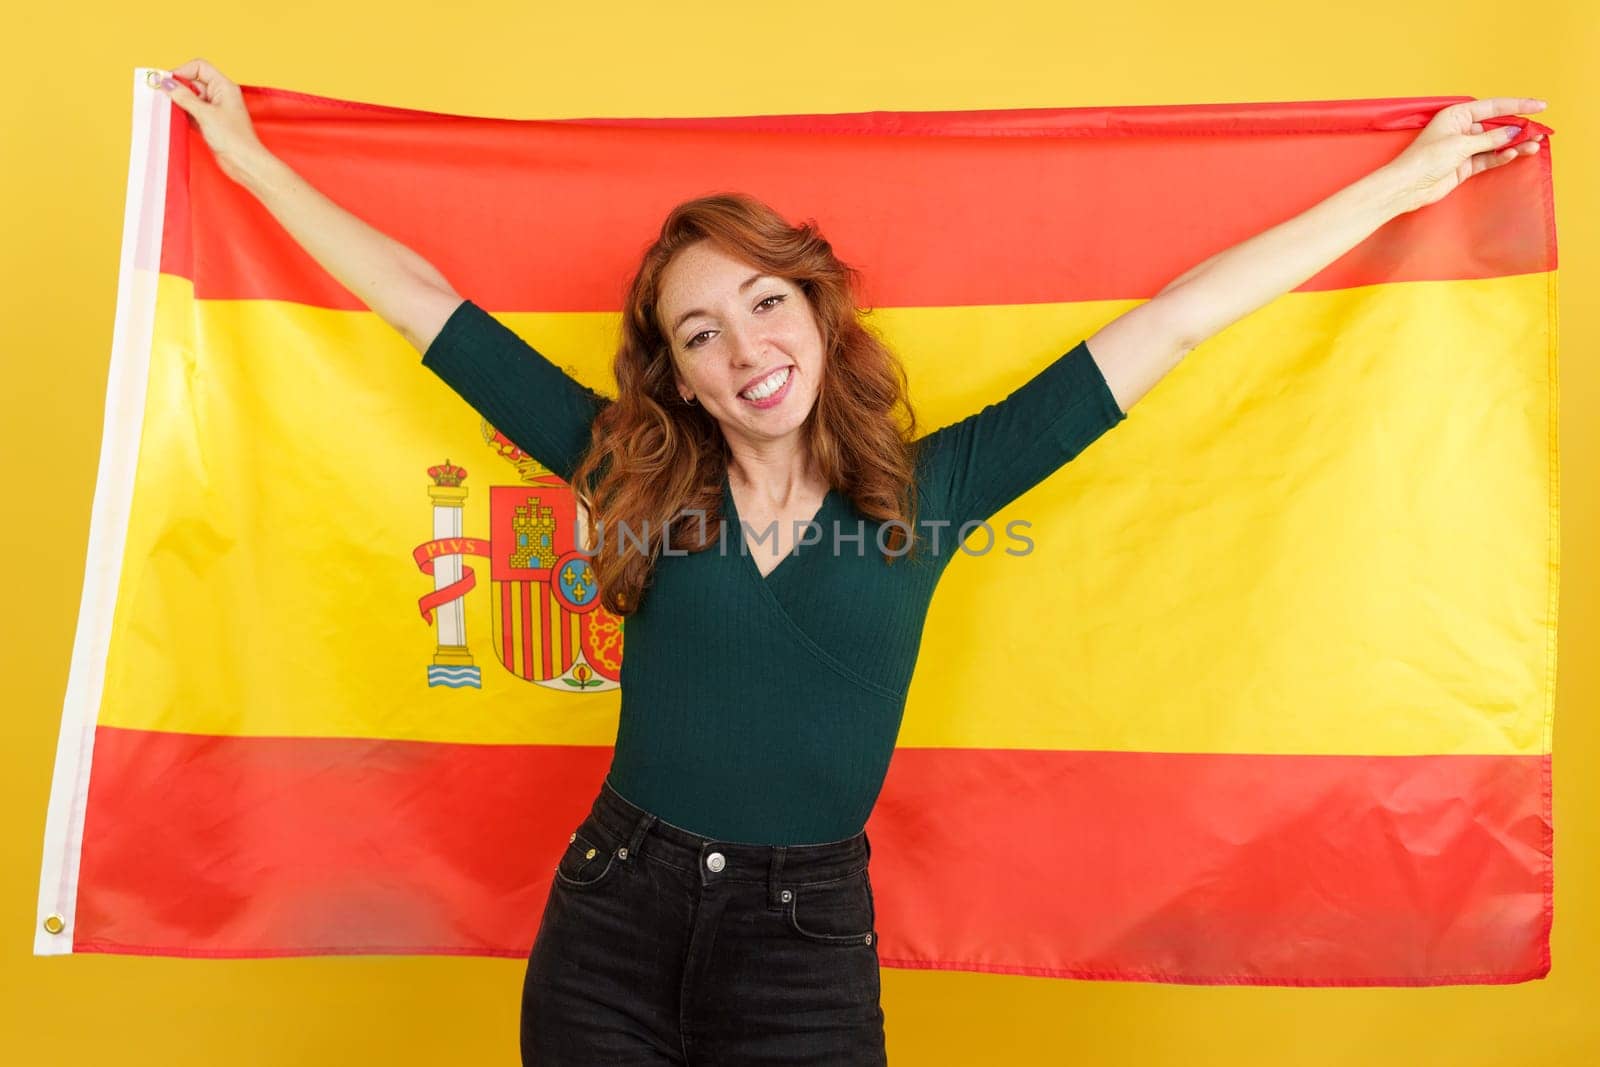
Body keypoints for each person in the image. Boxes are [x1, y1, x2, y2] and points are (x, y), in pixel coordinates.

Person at [156, 58, 1546, 1065]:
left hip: (802, 944)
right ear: (680, 379)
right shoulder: (627, 467)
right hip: (610, 921)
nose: (745, 347)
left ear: (816, 317)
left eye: (765, 303)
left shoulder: (936, 489)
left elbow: (1179, 325)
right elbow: (422, 307)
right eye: (700, 333)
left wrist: (1409, 181)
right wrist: (252, 162)